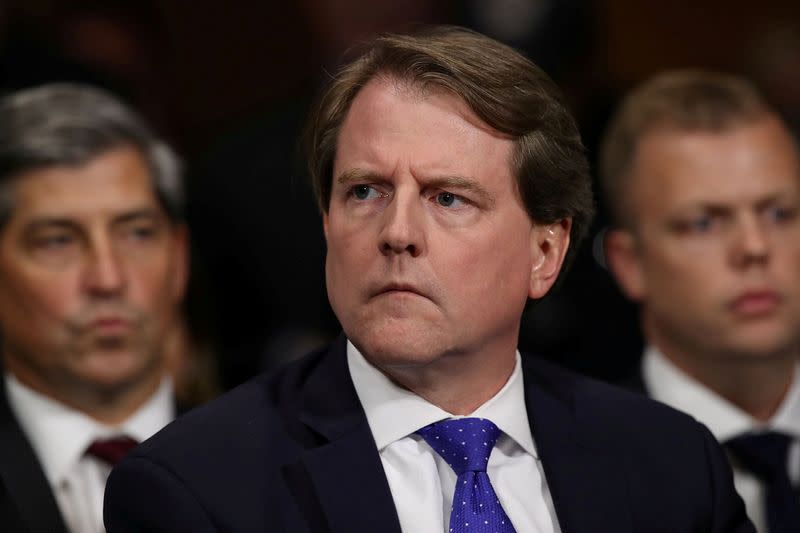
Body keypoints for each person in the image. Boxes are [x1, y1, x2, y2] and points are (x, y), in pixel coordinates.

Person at [104, 27, 753, 533]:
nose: (397, 231)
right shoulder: (195, 490)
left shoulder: (671, 465)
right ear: (326, 222)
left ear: (545, 251)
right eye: (365, 191)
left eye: (448, 198)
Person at [601, 70, 800, 533]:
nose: (754, 247)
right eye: (704, 223)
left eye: (779, 213)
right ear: (630, 263)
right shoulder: (575, 470)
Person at [0, 83, 188, 533]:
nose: (108, 279)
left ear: (179, 259)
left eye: (137, 232)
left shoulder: (275, 462)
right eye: (57, 241)